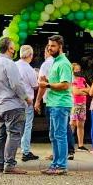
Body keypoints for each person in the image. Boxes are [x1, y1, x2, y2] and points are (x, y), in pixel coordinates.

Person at [0, 37, 32, 174]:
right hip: (13, 104)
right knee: (14, 134)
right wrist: (26, 98)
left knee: (1, 135)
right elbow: (16, 84)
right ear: (10, 49)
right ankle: (10, 164)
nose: (14, 50)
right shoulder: (9, 63)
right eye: (13, 48)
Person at [36, 35, 72, 175]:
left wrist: (47, 84)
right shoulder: (55, 62)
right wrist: (46, 81)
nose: (50, 48)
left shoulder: (63, 63)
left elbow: (65, 85)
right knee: (53, 135)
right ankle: (55, 164)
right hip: (52, 104)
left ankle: (61, 166)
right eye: (49, 46)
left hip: (60, 104)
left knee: (60, 135)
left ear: (60, 46)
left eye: (53, 46)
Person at [16, 44, 40, 162]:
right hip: (27, 101)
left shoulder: (14, 66)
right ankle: (25, 151)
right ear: (30, 55)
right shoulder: (29, 69)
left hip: (14, 101)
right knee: (27, 126)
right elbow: (35, 86)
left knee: (14, 126)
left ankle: (12, 150)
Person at [71, 62, 90, 152]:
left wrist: (81, 90)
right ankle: (70, 144)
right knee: (72, 124)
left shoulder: (83, 79)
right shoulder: (71, 80)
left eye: (79, 69)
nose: (78, 71)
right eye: (76, 69)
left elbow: (90, 90)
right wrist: (84, 91)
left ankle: (80, 145)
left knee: (81, 124)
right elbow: (75, 92)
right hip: (74, 104)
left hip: (82, 104)